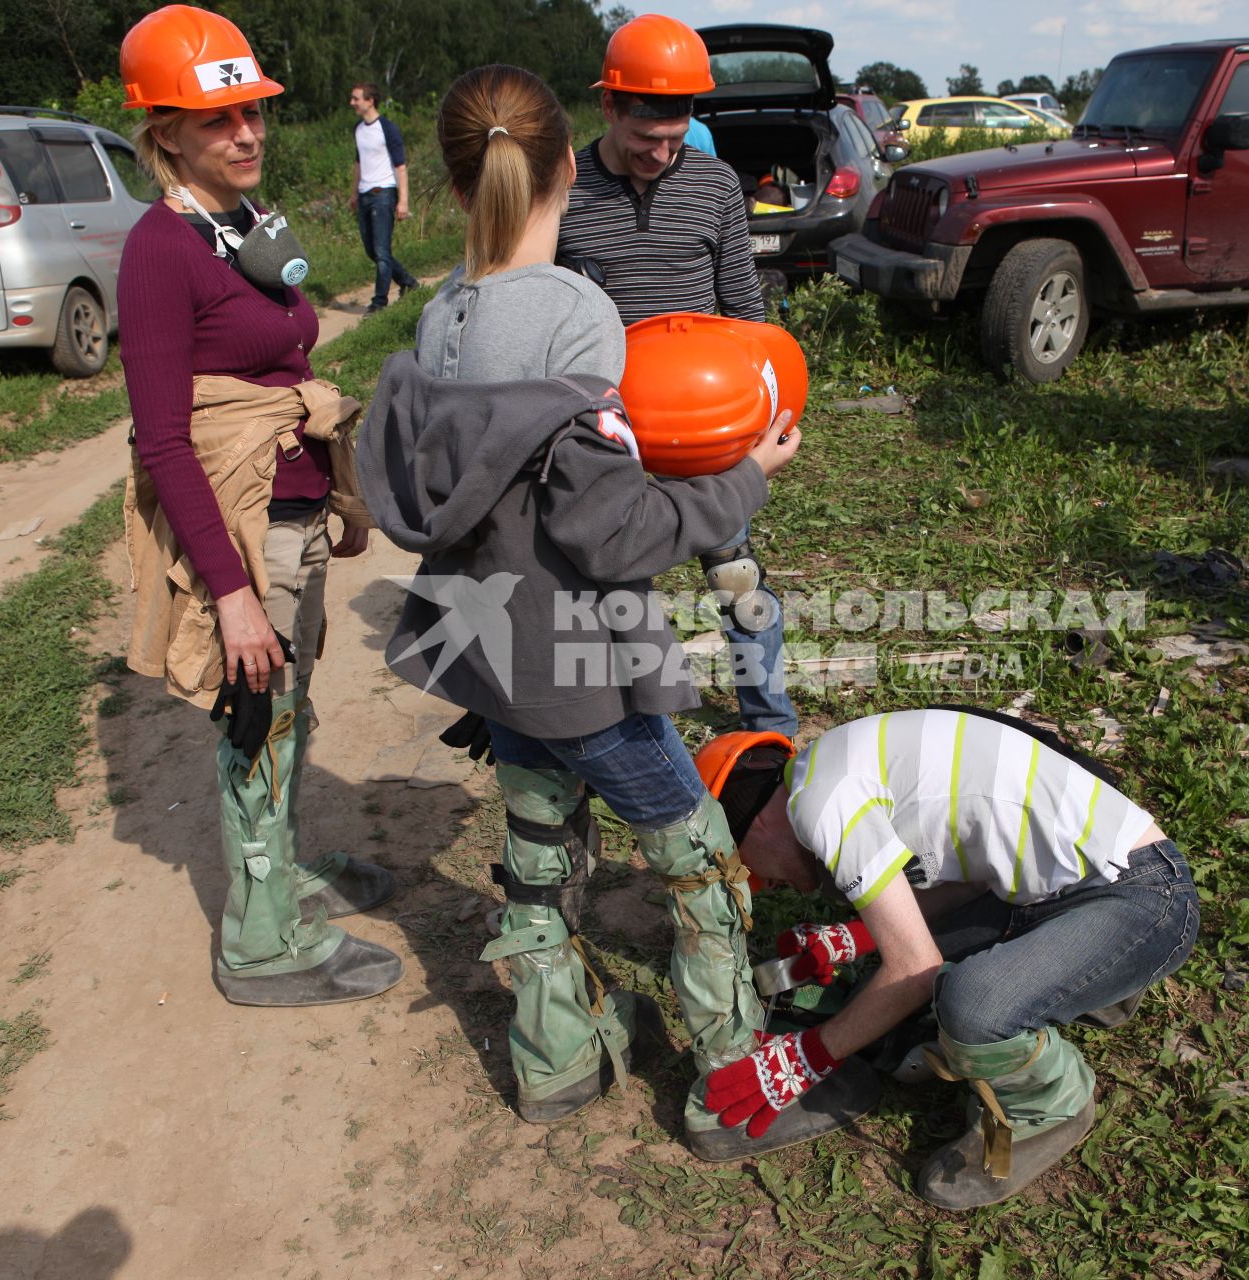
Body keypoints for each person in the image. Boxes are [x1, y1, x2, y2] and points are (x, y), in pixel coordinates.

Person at [358, 63, 879, 1154]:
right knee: (694, 854)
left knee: (541, 842)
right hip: (580, 659)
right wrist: (745, 479)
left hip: (490, 650)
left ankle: (553, 1060)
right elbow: (616, 533)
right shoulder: (577, 317)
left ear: (457, 184)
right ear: (562, 165)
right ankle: (732, 1089)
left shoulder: (444, 316)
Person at [116, 4, 401, 1007]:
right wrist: (231, 594)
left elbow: (283, 367)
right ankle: (259, 944)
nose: (247, 134)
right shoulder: (160, 247)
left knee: (290, 709)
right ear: (165, 135)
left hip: (295, 514)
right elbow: (162, 441)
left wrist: (341, 500)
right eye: (218, 121)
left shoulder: (236, 220)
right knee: (255, 718)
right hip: (244, 536)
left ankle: (281, 879)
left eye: (252, 114)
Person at [694, 706, 1200, 1208]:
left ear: (753, 823)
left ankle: (1051, 1106)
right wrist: (856, 938)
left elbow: (915, 969)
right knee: (912, 995)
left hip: (1143, 895)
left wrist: (808, 1055)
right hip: (1054, 889)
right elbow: (967, 882)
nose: (761, 885)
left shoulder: (821, 802)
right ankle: (1093, 979)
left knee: (969, 1007)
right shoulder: (834, 768)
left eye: (745, 869)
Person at [558, 13, 797, 741]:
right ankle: (628, 726)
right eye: (643, 138)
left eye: (674, 136)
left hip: (704, 425)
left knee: (738, 579)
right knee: (615, 585)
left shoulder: (717, 185)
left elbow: (745, 308)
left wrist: (768, 407)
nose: (661, 153)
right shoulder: (563, 187)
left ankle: (770, 724)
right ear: (609, 105)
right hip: (608, 430)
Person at [350, 81, 421, 313]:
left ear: (370, 101)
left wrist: (403, 201)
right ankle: (408, 283)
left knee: (382, 252)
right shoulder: (358, 130)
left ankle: (379, 302)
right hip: (364, 195)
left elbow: (401, 167)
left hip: (384, 194)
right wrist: (353, 193)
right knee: (373, 251)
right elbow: (358, 163)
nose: (352, 103)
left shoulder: (388, 128)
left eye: (356, 98)